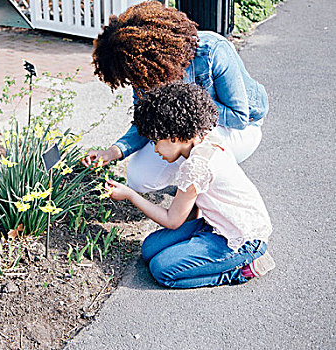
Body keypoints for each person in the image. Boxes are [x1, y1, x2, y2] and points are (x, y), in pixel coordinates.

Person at [83, 1, 269, 194]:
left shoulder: (212, 50)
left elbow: (238, 117)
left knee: (196, 149)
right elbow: (143, 123)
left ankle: (205, 199)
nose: (138, 82)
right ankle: (191, 181)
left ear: (155, 58)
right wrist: (113, 152)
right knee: (138, 177)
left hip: (240, 129)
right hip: (186, 130)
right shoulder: (144, 74)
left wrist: (183, 103)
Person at [105, 82, 274, 288]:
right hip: (218, 223)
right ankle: (200, 244)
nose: (155, 149)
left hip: (242, 238)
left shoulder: (196, 166)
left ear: (175, 137)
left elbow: (172, 220)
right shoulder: (204, 140)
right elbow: (191, 206)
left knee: (162, 269)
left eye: (155, 141)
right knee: (149, 248)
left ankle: (242, 270)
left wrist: (131, 195)